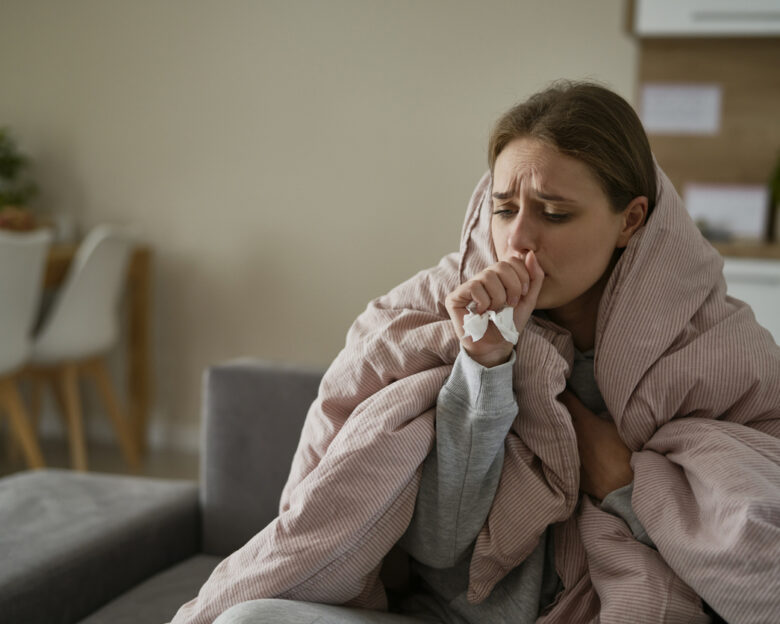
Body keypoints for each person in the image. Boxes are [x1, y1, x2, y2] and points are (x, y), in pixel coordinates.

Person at [171, 82, 780, 624]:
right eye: (504, 208)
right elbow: (440, 544)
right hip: (444, 615)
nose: (518, 239)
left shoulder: (713, 346)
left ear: (631, 220)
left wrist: (626, 483)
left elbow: (749, 557)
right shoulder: (436, 313)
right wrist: (485, 366)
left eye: (555, 214)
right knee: (250, 619)